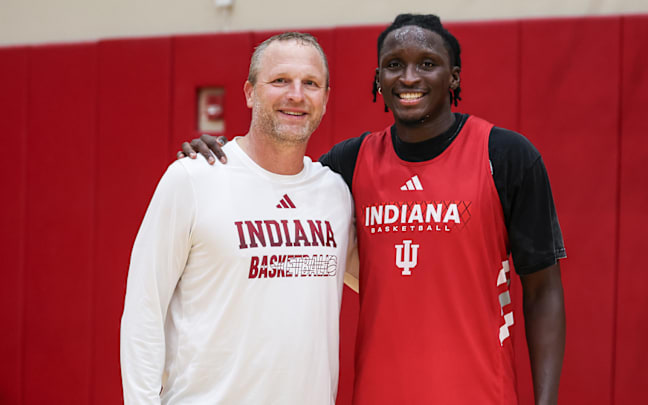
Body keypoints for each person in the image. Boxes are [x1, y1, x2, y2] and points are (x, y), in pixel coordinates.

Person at [182, 14, 566, 405]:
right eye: (394, 65)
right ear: (378, 78)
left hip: (480, 393)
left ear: (454, 77)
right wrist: (227, 153)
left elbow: (543, 291)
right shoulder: (348, 164)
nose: (409, 78)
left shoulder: (505, 155)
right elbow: (278, 182)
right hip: (379, 393)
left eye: (427, 64)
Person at [120, 32, 356, 404]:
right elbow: (143, 311)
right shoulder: (193, 179)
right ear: (249, 92)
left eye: (310, 83)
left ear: (325, 99)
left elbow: (382, 282)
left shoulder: (336, 195)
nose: (296, 94)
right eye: (280, 80)